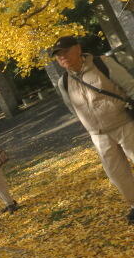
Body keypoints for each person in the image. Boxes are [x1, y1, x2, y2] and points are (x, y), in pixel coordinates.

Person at [53, 35, 134, 224]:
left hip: (124, 123)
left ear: (78, 48)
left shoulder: (102, 63)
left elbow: (130, 85)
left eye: (65, 51)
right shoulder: (63, 82)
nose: (62, 56)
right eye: (58, 55)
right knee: (117, 175)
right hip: (98, 135)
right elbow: (73, 108)